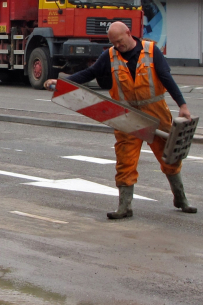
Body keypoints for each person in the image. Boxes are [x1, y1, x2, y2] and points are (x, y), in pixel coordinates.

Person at [44, 21, 197, 219]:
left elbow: (167, 78)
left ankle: (181, 199)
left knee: (170, 156)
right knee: (125, 160)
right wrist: (63, 82)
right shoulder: (109, 55)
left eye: (119, 41)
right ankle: (125, 206)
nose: (118, 46)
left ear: (128, 33)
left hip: (156, 113)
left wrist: (182, 105)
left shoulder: (151, 51)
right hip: (126, 117)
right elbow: (90, 74)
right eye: (114, 43)